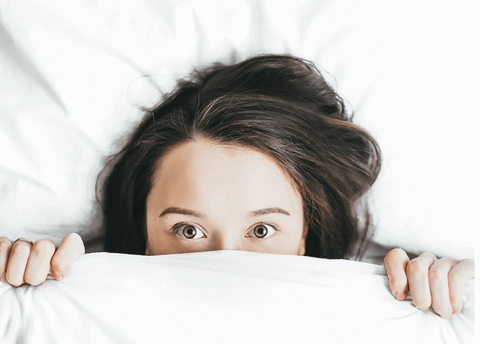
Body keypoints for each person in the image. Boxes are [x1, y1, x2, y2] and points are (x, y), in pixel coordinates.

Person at [0, 54, 474, 319]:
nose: (227, 263)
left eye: (263, 231)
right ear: (142, 234)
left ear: (307, 233)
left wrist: (450, 301)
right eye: (188, 230)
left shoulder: (385, 313)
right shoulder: (71, 316)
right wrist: (16, 286)